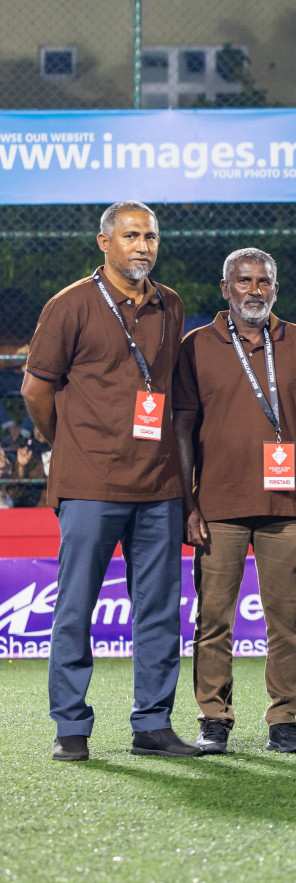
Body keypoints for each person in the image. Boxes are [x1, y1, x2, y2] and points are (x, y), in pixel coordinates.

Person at [21, 200, 200, 761]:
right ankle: (70, 727)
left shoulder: (170, 304)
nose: (142, 245)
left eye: (150, 236)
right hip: (90, 485)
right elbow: (35, 390)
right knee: (75, 607)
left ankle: (152, 724)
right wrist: (69, 446)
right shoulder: (69, 305)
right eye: (130, 236)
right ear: (105, 243)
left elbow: (167, 395)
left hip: (159, 486)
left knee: (159, 610)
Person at [173, 248, 296, 755]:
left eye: (264, 281)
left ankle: (284, 718)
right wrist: (187, 503)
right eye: (243, 281)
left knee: (285, 618)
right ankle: (214, 717)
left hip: (286, 504)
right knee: (213, 618)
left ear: (275, 289)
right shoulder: (196, 346)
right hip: (217, 504)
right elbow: (180, 430)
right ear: (226, 289)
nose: (254, 290)